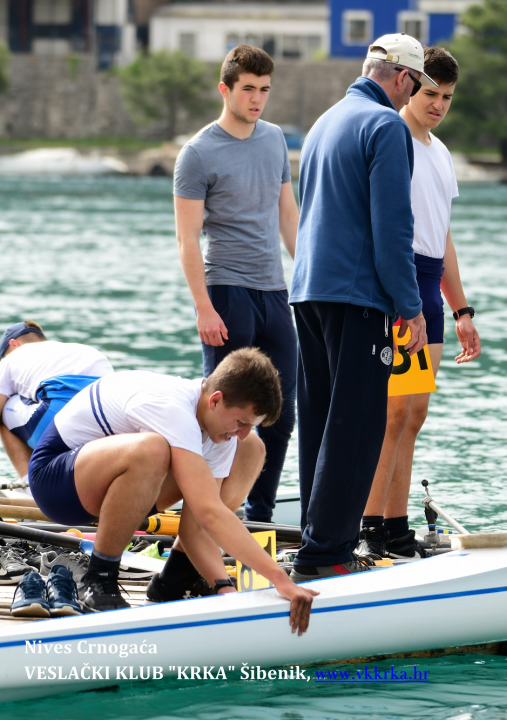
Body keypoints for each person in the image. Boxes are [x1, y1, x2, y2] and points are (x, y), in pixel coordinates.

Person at [27, 348, 317, 629]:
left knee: (251, 447)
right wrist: (279, 578)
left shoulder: (217, 425)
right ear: (215, 400)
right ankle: (99, 578)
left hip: (115, 485)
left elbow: (197, 527)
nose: (240, 432)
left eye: (249, 424)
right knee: (152, 449)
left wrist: (223, 587)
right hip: (56, 483)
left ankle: (177, 577)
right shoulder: (171, 407)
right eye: (241, 422)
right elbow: (210, 513)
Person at [289, 33, 433, 579]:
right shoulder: (386, 125)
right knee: (356, 425)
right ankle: (326, 554)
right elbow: (393, 227)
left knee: (321, 421)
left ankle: (315, 538)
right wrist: (410, 307)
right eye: (414, 86)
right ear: (400, 77)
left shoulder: (327, 121)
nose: (411, 97)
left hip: (308, 289)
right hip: (357, 296)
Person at [357, 46, 480, 561]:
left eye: (447, 97)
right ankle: (369, 524)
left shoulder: (442, 152)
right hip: (399, 283)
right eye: (431, 93)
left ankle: (397, 522)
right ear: (411, 86)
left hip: (430, 289)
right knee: (391, 414)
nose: (438, 105)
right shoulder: (392, 136)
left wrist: (462, 309)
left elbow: (443, 236)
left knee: (415, 415)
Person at [173, 44, 299, 524]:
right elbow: (187, 240)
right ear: (225, 89)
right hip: (226, 291)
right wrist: (204, 307)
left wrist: (304, 280)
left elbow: (288, 216)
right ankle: (207, 510)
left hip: (274, 294)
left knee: (279, 414)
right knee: (221, 414)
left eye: (265, 90)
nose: (257, 99)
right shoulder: (198, 153)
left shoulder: (273, 141)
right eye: (248, 89)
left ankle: (258, 513)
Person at [0, 321, 114, 478]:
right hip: (106, 428)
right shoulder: (83, 350)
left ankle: (30, 485)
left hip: (55, 423)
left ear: (13, 344)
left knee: (5, 404)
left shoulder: (9, 360)